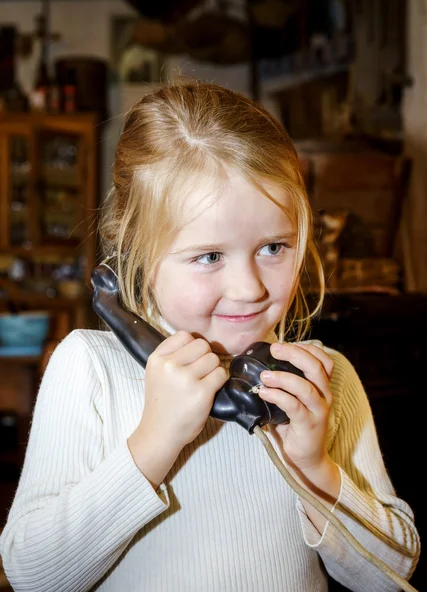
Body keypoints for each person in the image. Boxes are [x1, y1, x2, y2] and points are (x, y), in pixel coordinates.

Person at [0, 80, 420, 592]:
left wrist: (317, 470)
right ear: (139, 255)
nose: (249, 289)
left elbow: (392, 574)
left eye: (274, 247)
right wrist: (154, 442)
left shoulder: (325, 381)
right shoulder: (90, 368)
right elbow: (33, 577)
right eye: (208, 256)